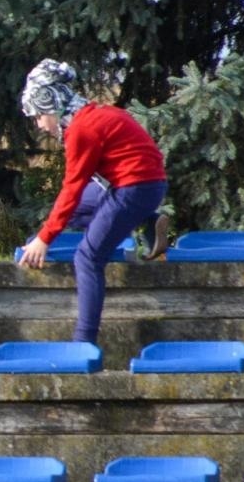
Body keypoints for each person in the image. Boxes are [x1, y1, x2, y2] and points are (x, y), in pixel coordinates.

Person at [17, 59, 169, 344]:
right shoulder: (96, 112)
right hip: (145, 186)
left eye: (38, 116)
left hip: (134, 189)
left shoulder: (81, 130)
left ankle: (84, 342)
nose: (40, 124)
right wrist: (44, 234)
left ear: (51, 104)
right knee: (76, 211)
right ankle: (147, 219)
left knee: (87, 257)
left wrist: (45, 238)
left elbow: (71, 188)